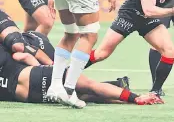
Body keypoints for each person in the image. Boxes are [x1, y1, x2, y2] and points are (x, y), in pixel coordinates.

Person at [0, 45, 162, 106]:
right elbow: (23, 57)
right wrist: (49, 72)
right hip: (33, 76)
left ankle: (122, 95)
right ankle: (136, 98)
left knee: (87, 96)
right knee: (91, 86)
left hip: (29, 96)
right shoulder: (5, 47)